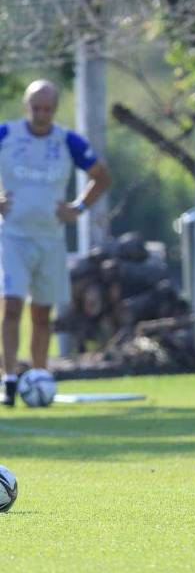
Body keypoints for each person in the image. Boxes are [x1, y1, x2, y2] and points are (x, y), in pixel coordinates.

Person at [0, 79, 110, 406]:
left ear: (55, 109)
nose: (42, 114)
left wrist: (78, 208)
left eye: (47, 109)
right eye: (36, 108)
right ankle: (8, 379)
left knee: (41, 313)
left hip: (50, 239)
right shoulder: (7, 135)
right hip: (12, 236)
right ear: (26, 108)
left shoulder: (68, 141)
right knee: (12, 305)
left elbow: (101, 176)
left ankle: (39, 377)